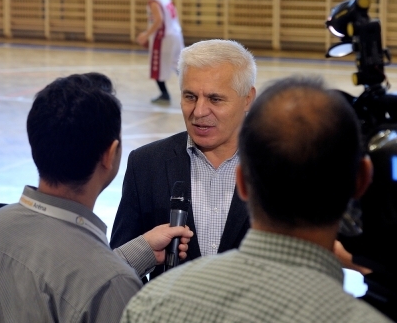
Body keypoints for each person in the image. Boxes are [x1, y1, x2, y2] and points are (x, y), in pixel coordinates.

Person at [121, 76, 389, 322]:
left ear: (243, 183)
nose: (200, 110)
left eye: (215, 98)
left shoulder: (152, 304)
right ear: (362, 180)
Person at [0, 73, 193, 323]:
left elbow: (63, 277)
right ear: (109, 155)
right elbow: (83, 280)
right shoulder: (112, 287)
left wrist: (135, 254)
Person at [110, 39, 255, 278]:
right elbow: (119, 268)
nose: (198, 112)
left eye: (215, 99)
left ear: (248, 98)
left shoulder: (281, 167)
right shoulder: (146, 164)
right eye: (190, 97)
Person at [136, 0, 184, 105]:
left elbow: (159, 20)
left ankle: (164, 94)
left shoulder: (154, 1)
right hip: (176, 35)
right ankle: (195, 89)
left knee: (157, 67)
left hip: (164, 38)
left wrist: (146, 34)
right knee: (178, 65)